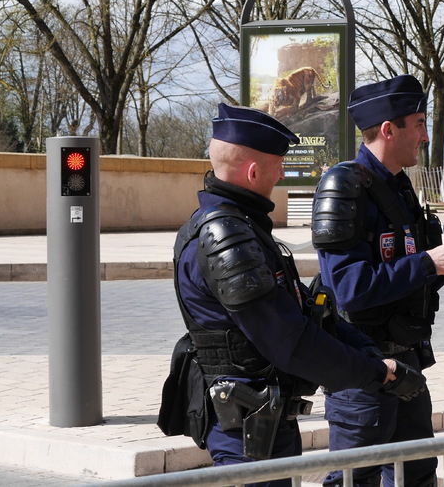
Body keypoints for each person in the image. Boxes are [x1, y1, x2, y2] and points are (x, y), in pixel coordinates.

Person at [165, 104, 425, 485]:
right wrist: (372, 373)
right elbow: (290, 340)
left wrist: (367, 353)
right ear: (253, 171)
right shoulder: (228, 238)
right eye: (277, 166)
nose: (281, 174)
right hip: (246, 431)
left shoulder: (241, 229)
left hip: (263, 423)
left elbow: (306, 310)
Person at [311, 74, 444, 487]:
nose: (424, 135)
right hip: (363, 367)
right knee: (355, 479)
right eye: (418, 124)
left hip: (407, 361)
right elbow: (349, 288)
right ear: (387, 129)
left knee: (418, 472)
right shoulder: (345, 187)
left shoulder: (400, 189)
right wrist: (425, 265)